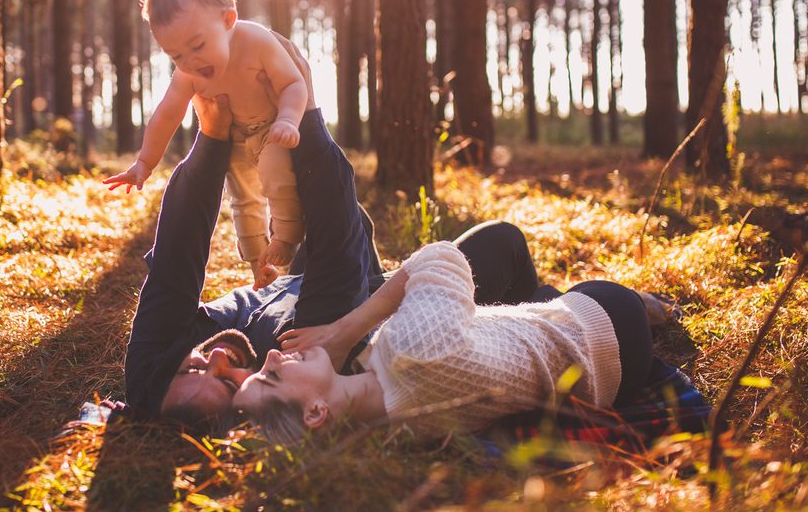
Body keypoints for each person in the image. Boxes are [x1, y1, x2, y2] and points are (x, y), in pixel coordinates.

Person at [121, 36, 541, 432]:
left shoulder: (151, 374)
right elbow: (338, 242)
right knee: (501, 241)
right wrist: (304, 112)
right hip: (371, 309)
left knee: (350, 220)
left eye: (194, 367)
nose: (216, 357)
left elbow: (176, 253)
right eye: (229, 381)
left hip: (295, 287)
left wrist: (212, 136)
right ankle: (542, 311)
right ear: (249, 412)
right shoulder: (294, 359)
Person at [232, 240, 659, 446]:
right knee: (549, 297)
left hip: (604, 387)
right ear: (315, 412)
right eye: (272, 376)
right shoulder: (413, 351)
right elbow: (441, 257)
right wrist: (346, 329)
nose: (271, 355)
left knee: (521, 308)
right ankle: (651, 306)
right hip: (608, 329)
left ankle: (553, 298)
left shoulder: (388, 433)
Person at [105, 0, 308, 289]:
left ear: (228, 21)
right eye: (176, 56)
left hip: (272, 131)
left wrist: (288, 119)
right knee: (243, 199)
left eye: (197, 46)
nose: (190, 62)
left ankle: (285, 237)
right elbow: (167, 114)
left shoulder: (257, 41)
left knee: (275, 173)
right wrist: (145, 161)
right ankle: (259, 264)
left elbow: (293, 83)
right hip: (236, 141)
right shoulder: (188, 73)